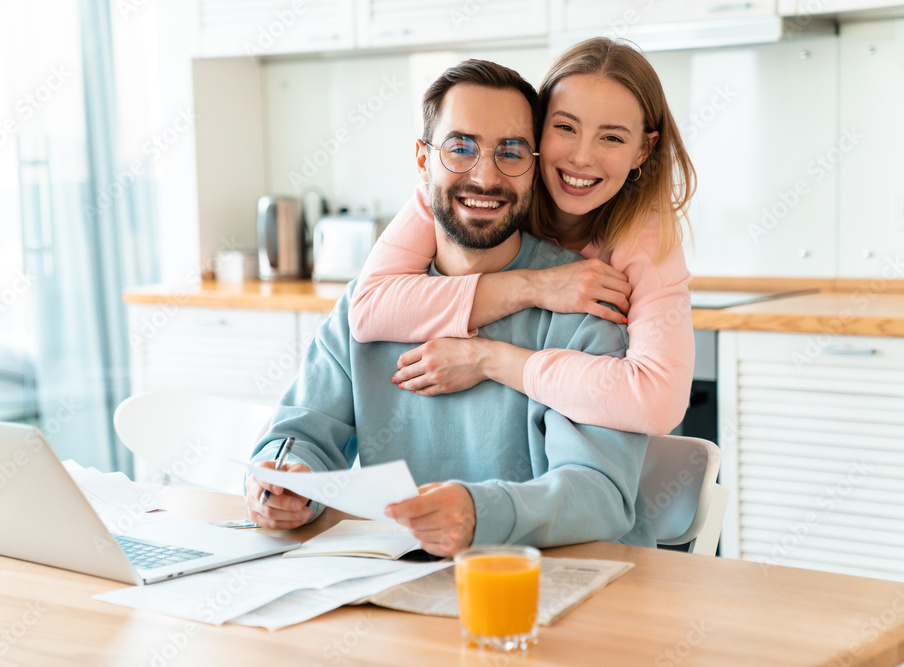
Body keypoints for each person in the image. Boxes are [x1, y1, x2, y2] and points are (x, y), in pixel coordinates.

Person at [244, 59, 654, 558]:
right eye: (460, 148)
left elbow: (600, 495)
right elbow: (300, 434)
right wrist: (284, 482)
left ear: (535, 164)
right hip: (392, 589)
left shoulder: (582, 304)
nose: (485, 176)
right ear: (423, 160)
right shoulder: (369, 305)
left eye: (511, 151)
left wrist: (482, 513)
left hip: (538, 592)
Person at [348, 37, 697, 435]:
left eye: (612, 137)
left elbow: (657, 404)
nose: (582, 157)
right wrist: (536, 286)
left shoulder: (645, 238)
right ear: (536, 129)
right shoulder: (484, 193)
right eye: (565, 127)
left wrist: (487, 360)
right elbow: (369, 308)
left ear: (642, 151)